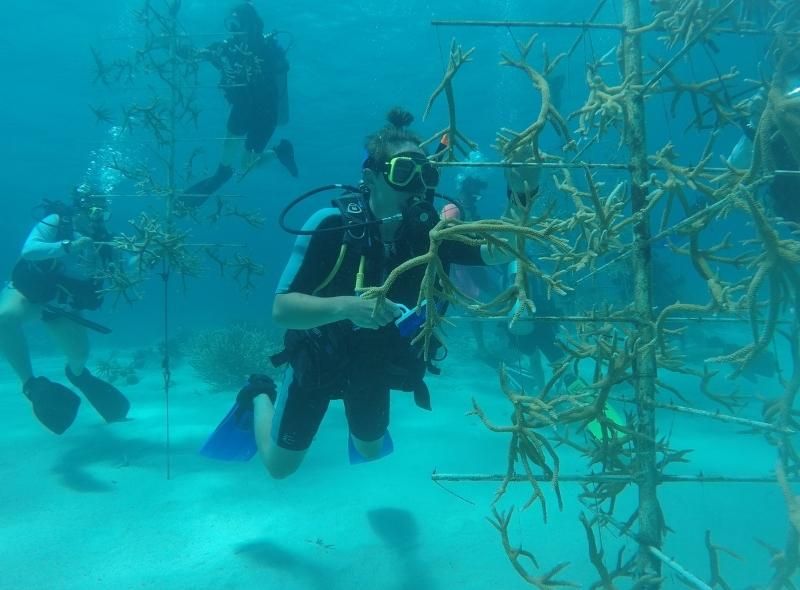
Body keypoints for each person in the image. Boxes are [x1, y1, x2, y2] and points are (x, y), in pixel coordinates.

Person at [204, 108, 529, 478]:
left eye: (425, 174)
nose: (417, 186)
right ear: (371, 177)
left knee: (371, 451)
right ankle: (259, 393)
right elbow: (282, 310)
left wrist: (522, 193)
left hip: (374, 361)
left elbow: (502, 250)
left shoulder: (432, 234)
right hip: (318, 357)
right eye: (404, 172)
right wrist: (349, 307)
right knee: (280, 467)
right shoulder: (331, 225)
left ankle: (359, 427)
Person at [0, 188, 130, 434]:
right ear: (79, 207)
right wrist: (68, 245)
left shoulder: (106, 242)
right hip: (28, 293)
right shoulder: (56, 222)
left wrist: (148, 255)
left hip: (62, 305)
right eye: (92, 210)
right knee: (4, 318)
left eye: (103, 212)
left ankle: (78, 375)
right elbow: (29, 250)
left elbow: (126, 270)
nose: (96, 218)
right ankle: (31, 385)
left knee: (80, 356)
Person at [181, 2, 298, 208]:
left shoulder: (269, 50)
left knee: (247, 164)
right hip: (241, 109)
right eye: (230, 24)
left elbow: (281, 66)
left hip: (265, 115)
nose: (234, 30)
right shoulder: (226, 49)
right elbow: (200, 53)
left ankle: (280, 151)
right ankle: (221, 175)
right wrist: (178, 50)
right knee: (226, 155)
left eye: (238, 24)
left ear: (253, 26)